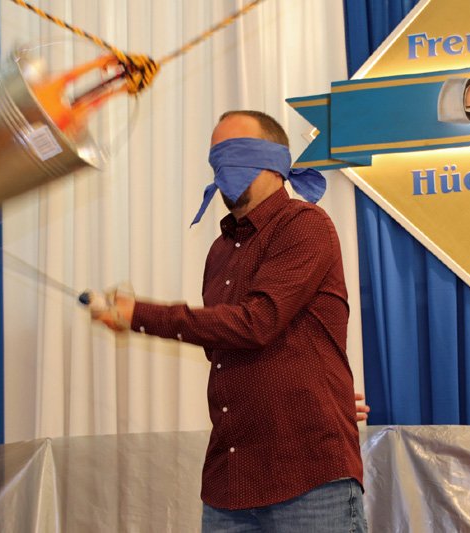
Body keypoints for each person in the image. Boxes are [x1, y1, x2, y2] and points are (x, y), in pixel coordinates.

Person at [92, 110, 367, 532]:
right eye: (216, 159)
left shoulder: (305, 225)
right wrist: (317, 394)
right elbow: (223, 345)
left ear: (274, 161)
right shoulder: (220, 252)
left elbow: (255, 324)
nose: (224, 170)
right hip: (230, 486)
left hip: (308, 477)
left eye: (236, 154)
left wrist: (140, 315)